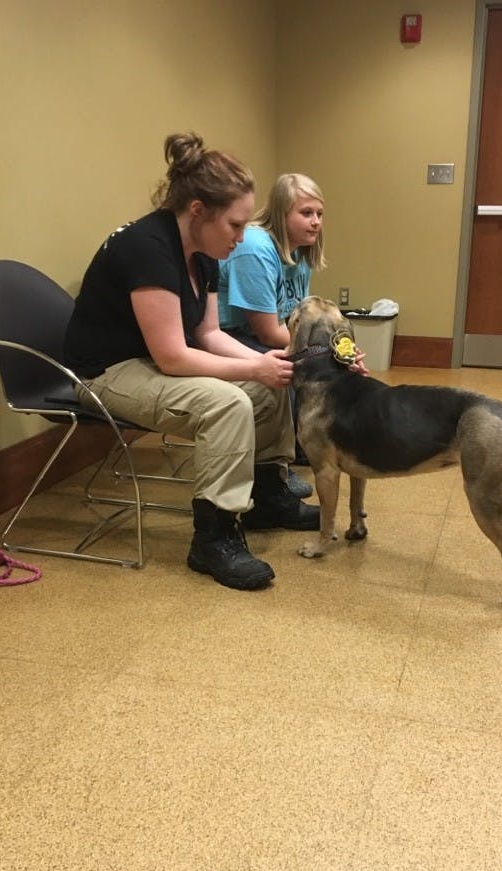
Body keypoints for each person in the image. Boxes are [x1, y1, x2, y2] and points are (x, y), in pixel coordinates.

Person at [63, 132, 319, 592]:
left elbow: (208, 333)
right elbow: (173, 356)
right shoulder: (147, 246)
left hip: (152, 360)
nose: (242, 238)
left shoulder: (205, 253)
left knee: (269, 381)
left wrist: (273, 362)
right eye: (235, 226)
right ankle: (213, 538)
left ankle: (267, 497)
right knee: (227, 402)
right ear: (197, 210)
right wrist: (254, 367)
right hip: (105, 372)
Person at [217, 174, 327, 494]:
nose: (316, 222)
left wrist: (333, 346)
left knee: (321, 360)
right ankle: (274, 470)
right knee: (289, 366)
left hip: (263, 332)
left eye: (319, 214)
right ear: (282, 214)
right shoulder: (255, 248)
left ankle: (302, 441)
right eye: (306, 213)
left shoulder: (301, 252)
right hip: (228, 335)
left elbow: (297, 318)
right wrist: (319, 349)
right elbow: (267, 334)